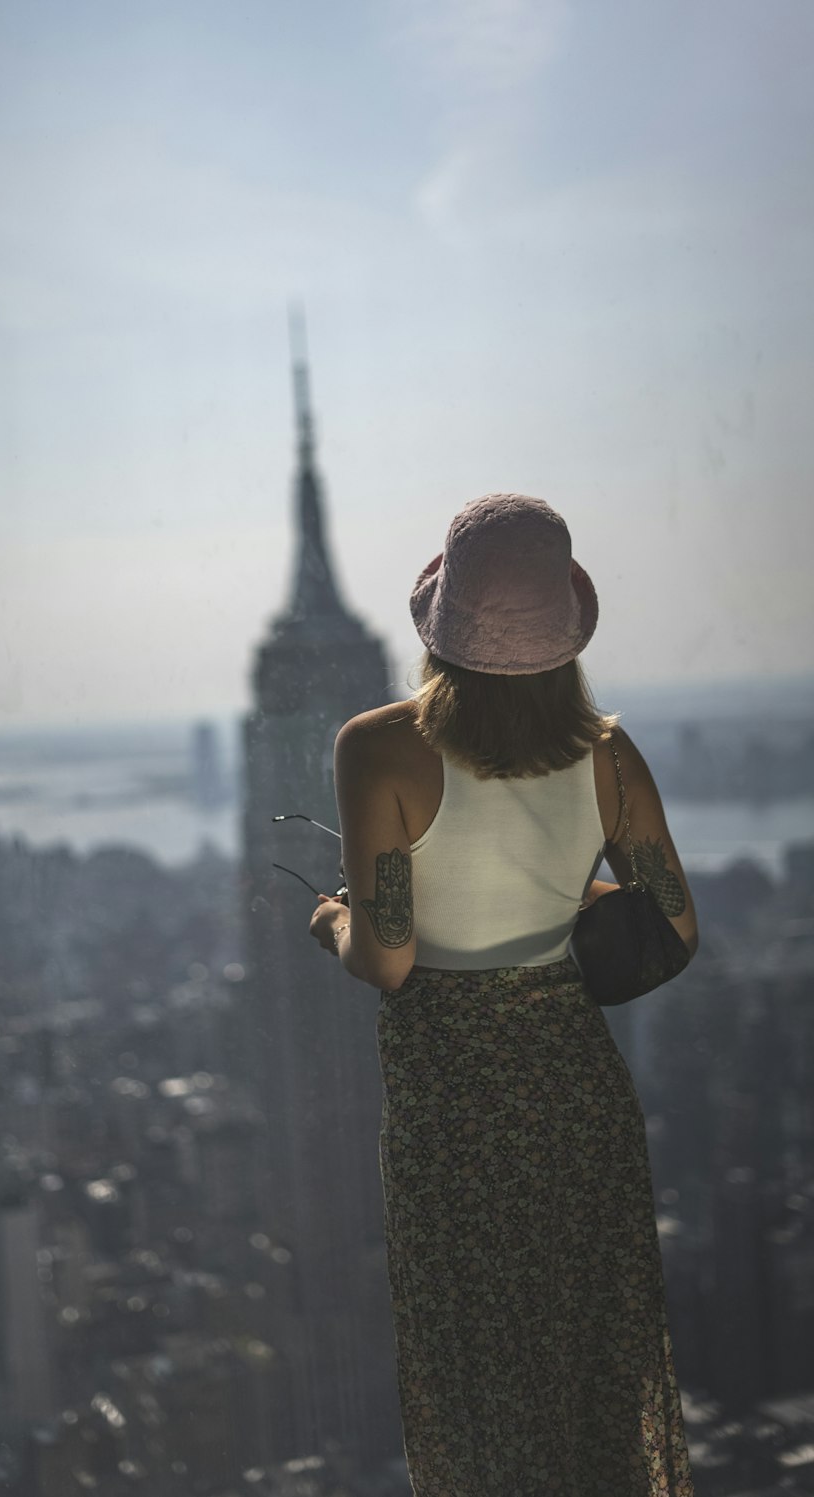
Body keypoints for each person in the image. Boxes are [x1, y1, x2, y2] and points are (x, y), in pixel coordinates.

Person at [309, 493, 698, 1496]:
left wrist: (334, 923)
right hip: (574, 1093)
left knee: (478, 1372)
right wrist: (558, 885)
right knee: (594, 1365)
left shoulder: (377, 748)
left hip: (453, 1110)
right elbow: (674, 928)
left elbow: (388, 960)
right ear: (566, 632)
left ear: (440, 624)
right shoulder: (607, 754)